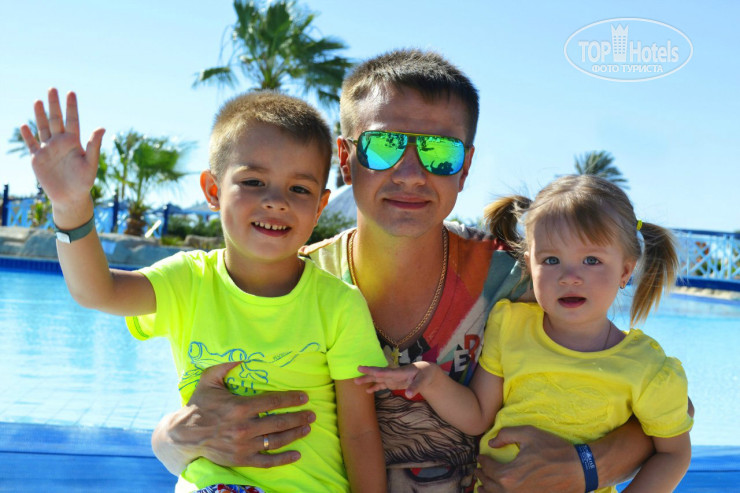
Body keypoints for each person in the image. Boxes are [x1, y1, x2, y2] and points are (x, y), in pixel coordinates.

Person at [151, 49, 662, 492]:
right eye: (385, 146)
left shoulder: (517, 285)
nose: (412, 174)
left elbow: (655, 418)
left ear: (465, 167)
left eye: (439, 152)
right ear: (346, 160)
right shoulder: (290, 283)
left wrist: (585, 467)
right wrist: (172, 439)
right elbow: (191, 427)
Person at [21, 89, 388, 492]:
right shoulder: (188, 281)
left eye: (299, 189)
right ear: (213, 191)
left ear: (319, 206)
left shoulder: (339, 305)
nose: (276, 201)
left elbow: (359, 433)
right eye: (253, 181)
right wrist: (72, 206)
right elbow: (97, 291)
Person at [357, 175, 693, 492]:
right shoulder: (511, 326)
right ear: (529, 264)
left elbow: (674, 453)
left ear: (625, 271)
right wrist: (429, 379)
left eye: (592, 260)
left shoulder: (647, 367)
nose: (570, 276)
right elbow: (478, 415)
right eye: (551, 260)